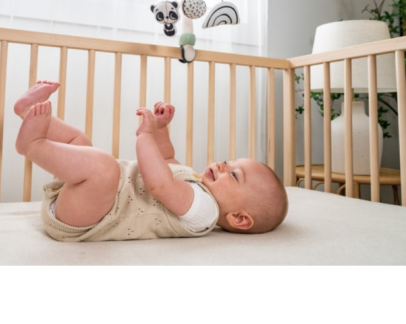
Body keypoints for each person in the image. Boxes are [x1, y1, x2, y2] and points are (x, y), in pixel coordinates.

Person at [14, 81, 288, 242]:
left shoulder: (204, 212)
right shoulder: (193, 184)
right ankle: (28, 113)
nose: (222, 166)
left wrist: (145, 135)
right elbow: (166, 159)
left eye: (235, 175)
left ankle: (33, 145)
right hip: (83, 198)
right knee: (80, 142)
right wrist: (160, 130)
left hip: (85, 220)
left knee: (103, 166)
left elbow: (160, 184)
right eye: (229, 161)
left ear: (238, 218)